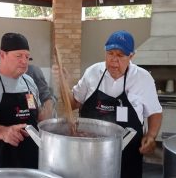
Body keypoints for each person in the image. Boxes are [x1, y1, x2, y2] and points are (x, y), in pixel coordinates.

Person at [55, 30, 162, 178]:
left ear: (131, 56)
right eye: (110, 53)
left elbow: (155, 111)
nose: (114, 60)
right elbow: (73, 103)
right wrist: (63, 83)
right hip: (90, 153)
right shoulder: (92, 72)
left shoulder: (143, 79)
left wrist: (151, 135)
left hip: (127, 155)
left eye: (120, 55)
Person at [0, 32, 51, 169]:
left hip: (30, 157)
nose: (24, 61)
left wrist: (48, 112)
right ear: (2, 55)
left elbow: (35, 113)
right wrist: (3, 132)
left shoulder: (29, 82)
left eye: (27, 57)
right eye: (18, 56)